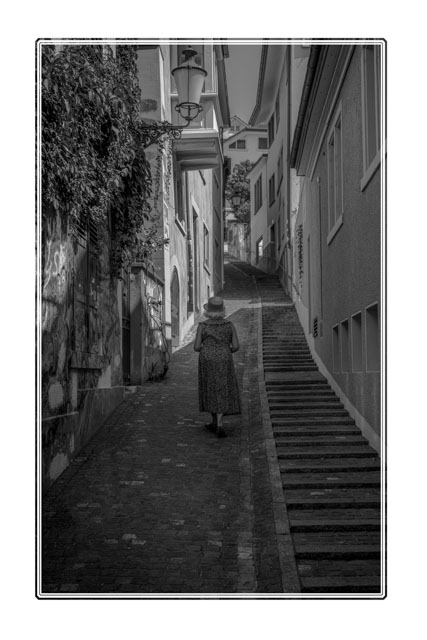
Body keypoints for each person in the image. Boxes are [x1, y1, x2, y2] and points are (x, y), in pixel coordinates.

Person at [193, 296, 241, 438]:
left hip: (207, 359)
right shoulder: (229, 325)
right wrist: (225, 350)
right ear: (222, 310)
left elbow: (196, 347)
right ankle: (218, 423)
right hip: (224, 358)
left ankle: (215, 422)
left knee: (210, 387)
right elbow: (236, 346)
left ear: (208, 311)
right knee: (222, 387)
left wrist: (208, 349)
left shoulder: (203, 326)